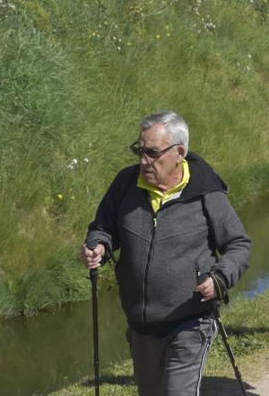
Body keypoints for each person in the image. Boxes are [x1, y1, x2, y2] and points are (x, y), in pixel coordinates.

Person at [81, 111, 252, 395]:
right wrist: (97, 245)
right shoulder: (126, 184)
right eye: (140, 150)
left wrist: (220, 278)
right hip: (140, 326)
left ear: (179, 153)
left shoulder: (205, 191)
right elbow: (103, 227)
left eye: (152, 152)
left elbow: (239, 244)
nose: (143, 160)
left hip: (190, 322)